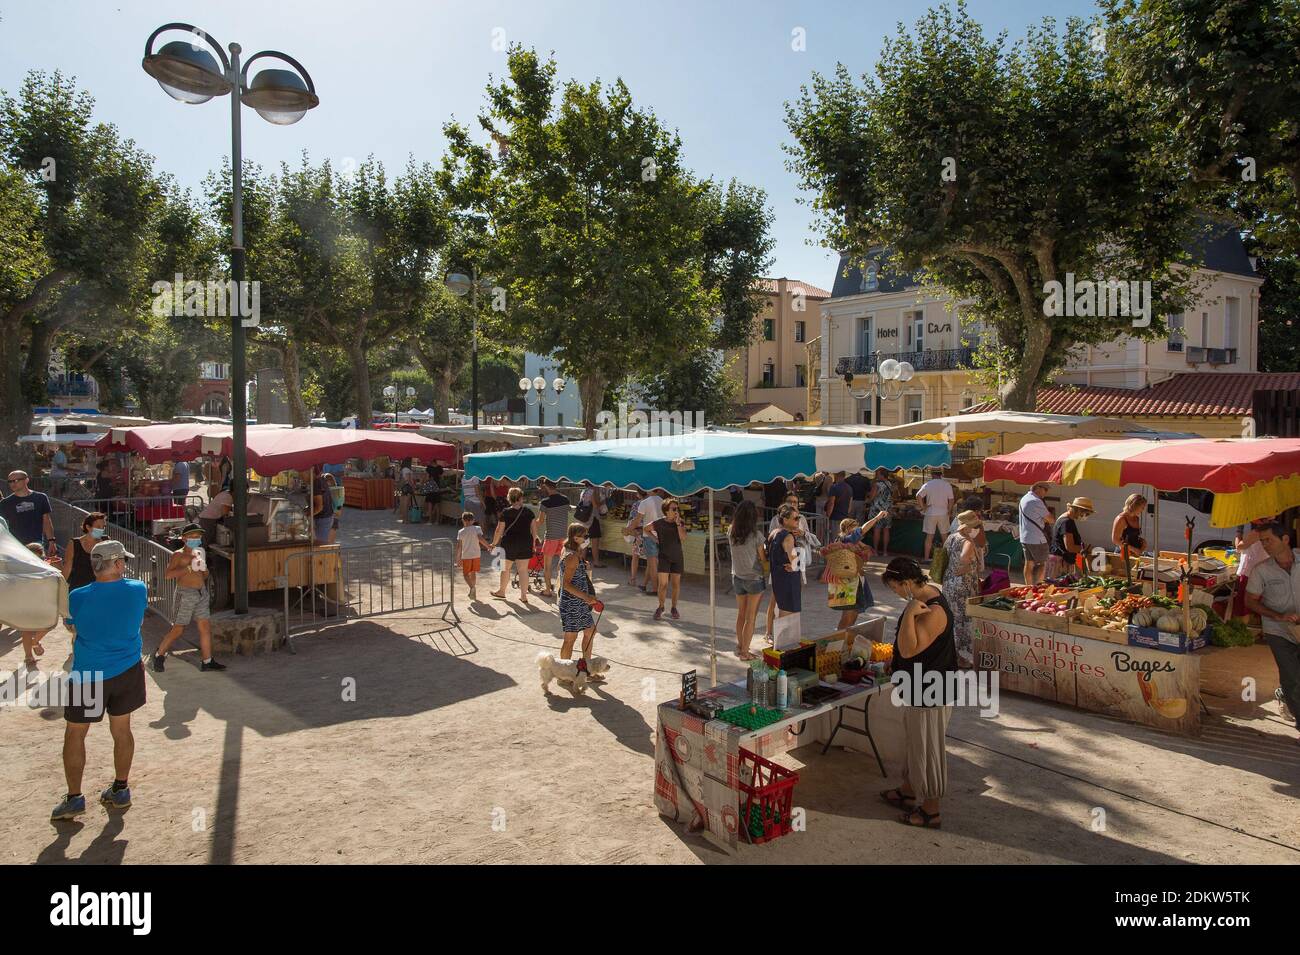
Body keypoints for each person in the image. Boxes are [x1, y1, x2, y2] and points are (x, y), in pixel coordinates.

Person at [51, 540, 149, 821]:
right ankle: (120, 789)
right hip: (128, 669)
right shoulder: (137, 589)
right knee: (121, 729)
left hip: (89, 673)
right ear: (117, 564)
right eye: (124, 561)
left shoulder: (77, 596)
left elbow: (72, 626)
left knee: (75, 733)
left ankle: (74, 798)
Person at [878, 556, 956, 828]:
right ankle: (909, 790)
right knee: (915, 743)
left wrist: (910, 613)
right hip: (916, 686)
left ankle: (931, 810)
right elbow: (906, 647)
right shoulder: (925, 596)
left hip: (930, 690)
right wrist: (895, 659)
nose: (895, 593)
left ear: (908, 583)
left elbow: (911, 648)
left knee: (930, 749)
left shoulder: (932, 611)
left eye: (896, 588)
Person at [1244, 521, 1300, 741]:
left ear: (1285, 539)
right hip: (1279, 631)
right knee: (1292, 675)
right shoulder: (1262, 570)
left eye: (1269, 540)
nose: (1265, 545)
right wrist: (1277, 616)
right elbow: (1250, 601)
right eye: (1262, 541)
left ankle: (1283, 696)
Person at [153, 524, 226, 672]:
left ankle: (207, 660)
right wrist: (187, 568)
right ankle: (159, 655)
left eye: (198, 537)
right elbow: (168, 575)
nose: (195, 539)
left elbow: (203, 576)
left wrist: (204, 569)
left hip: (201, 593)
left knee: (204, 627)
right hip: (185, 594)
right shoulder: (178, 555)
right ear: (184, 538)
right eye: (192, 537)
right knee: (178, 629)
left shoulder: (200, 553)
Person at [941, 511, 986, 667]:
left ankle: (952, 655)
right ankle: (962, 658)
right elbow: (964, 559)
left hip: (949, 583)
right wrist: (965, 568)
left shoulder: (951, 537)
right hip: (963, 585)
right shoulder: (967, 541)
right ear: (968, 527)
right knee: (964, 621)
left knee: (952, 620)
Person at [558, 522, 601, 670]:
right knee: (570, 638)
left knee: (590, 631)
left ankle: (586, 668)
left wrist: (583, 564)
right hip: (571, 603)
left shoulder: (574, 553)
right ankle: (564, 672)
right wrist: (587, 597)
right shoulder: (571, 557)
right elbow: (566, 584)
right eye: (585, 536)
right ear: (576, 538)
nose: (587, 539)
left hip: (580, 602)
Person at [729, 500, 766, 660]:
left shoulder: (731, 531)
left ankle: (740, 645)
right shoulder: (757, 536)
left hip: (737, 576)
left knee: (741, 615)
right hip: (754, 578)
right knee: (751, 617)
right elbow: (762, 558)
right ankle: (745, 652)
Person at [490, 487, 536, 606]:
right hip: (525, 542)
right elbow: (534, 529)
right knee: (523, 570)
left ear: (509, 498)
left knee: (505, 569)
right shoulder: (528, 512)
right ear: (520, 498)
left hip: (509, 543)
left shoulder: (505, 512)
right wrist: (534, 543)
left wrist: (494, 544)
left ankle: (501, 591)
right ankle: (523, 596)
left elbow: (499, 530)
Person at [832, 516, 878, 631]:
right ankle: (838, 640)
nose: (858, 532)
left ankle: (845, 639)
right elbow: (863, 529)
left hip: (857, 580)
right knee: (847, 615)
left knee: (854, 614)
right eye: (854, 529)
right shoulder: (845, 539)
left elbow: (868, 551)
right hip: (847, 582)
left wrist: (864, 547)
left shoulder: (854, 542)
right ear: (847, 529)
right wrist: (878, 517)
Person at [649, 498, 687, 620]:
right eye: (673, 509)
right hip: (664, 556)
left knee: (676, 584)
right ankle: (660, 606)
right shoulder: (659, 523)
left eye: (677, 509)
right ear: (666, 510)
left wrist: (677, 524)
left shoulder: (680, 522)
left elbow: (683, 537)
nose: (676, 511)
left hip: (677, 557)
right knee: (663, 584)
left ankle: (674, 607)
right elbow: (646, 528)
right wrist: (655, 539)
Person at [767, 503, 803, 622]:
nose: (798, 521)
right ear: (786, 520)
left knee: (783, 608)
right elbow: (794, 561)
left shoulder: (774, 533)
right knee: (788, 612)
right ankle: (783, 639)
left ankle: (778, 636)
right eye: (796, 518)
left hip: (777, 576)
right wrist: (795, 565)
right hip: (788, 579)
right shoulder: (788, 537)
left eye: (799, 517)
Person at [535, 480, 571, 596]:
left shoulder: (545, 502)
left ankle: (547, 590)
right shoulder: (565, 499)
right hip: (563, 537)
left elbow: (540, 521)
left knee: (547, 566)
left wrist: (531, 523)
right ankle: (563, 588)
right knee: (563, 565)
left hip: (551, 536)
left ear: (546, 486)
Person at [1, 470, 55, 548]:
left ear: (26, 480)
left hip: (37, 543)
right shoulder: (5, 503)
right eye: (10, 481)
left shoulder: (41, 497)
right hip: (16, 545)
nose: (13, 483)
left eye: (16, 480)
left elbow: (46, 520)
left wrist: (51, 541)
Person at [1018, 481, 1055, 585]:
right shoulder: (1036, 501)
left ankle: (1028, 587)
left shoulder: (1024, 498)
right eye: (1045, 489)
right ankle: (1038, 587)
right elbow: (1051, 520)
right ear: (1038, 488)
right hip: (1037, 538)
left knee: (1029, 563)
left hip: (1025, 537)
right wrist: (1045, 519)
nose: (1046, 493)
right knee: (1042, 564)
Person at [1233, 520, 1271, 620]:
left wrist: (1239, 531)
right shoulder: (1274, 530)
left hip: (1250, 574)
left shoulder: (1257, 532)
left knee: (1244, 609)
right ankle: (1259, 634)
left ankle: (1242, 632)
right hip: (1264, 574)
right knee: (1260, 609)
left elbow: (1239, 547)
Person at [1049, 497, 1094, 578]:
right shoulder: (1066, 522)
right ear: (1078, 510)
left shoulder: (1066, 519)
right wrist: (1086, 548)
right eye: (1086, 514)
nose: (1085, 516)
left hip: (1061, 560)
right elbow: (1070, 547)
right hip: (1061, 562)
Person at [917, 468, 954, 563]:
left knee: (929, 537)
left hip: (930, 512)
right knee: (945, 536)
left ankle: (926, 558)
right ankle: (947, 559)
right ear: (941, 475)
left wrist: (923, 507)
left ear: (932, 474)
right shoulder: (947, 485)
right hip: (943, 513)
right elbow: (951, 500)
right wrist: (949, 511)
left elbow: (918, 496)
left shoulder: (928, 484)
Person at [455, 511, 491, 601]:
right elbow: (480, 539)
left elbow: (459, 547)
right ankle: (473, 589)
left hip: (466, 555)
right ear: (473, 520)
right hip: (476, 554)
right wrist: (488, 546)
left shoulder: (461, 532)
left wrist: (458, 559)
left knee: (465, 574)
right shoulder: (477, 528)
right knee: (473, 572)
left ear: (463, 520)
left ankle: (472, 588)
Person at [637, 488, 666, 595]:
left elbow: (637, 520)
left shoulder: (644, 503)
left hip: (649, 536)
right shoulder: (662, 501)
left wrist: (629, 529)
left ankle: (655, 589)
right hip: (661, 535)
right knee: (652, 563)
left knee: (652, 564)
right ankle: (644, 584)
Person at [575, 482, 606, 567]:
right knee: (595, 541)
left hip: (584, 519)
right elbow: (595, 504)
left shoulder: (584, 491)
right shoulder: (593, 491)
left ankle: (582, 560)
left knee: (584, 540)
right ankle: (596, 562)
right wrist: (602, 502)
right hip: (592, 518)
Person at [867, 468, 895, 556]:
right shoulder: (890, 484)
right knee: (886, 530)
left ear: (882, 475)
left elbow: (871, 497)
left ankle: (875, 551)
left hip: (877, 510)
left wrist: (867, 498)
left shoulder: (877, 484)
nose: (876, 475)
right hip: (887, 510)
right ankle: (885, 552)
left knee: (877, 530)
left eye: (877, 474)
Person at [1111, 493, 1148, 558]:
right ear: (1134, 506)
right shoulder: (1121, 519)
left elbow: (1133, 535)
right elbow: (1115, 540)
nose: (1143, 510)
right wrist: (1134, 549)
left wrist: (1142, 542)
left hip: (1134, 555)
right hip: (1123, 554)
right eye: (1142, 507)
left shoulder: (1136, 518)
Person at [311, 470, 335, 544]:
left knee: (322, 545)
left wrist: (308, 515)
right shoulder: (321, 481)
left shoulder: (317, 483)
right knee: (324, 542)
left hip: (325, 517)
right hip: (327, 516)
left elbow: (319, 507)